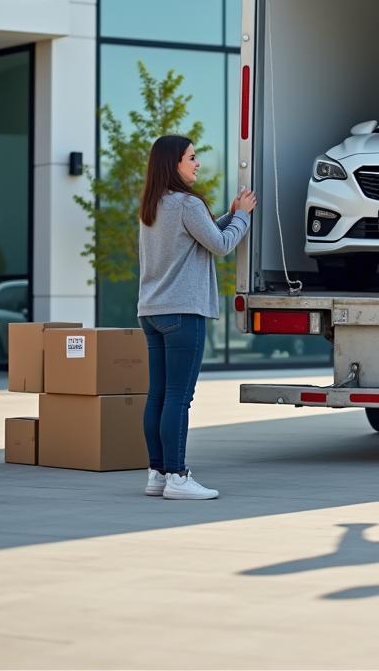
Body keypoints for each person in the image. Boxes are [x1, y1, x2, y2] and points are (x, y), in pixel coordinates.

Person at [137, 135, 257, 500]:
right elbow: (219, 245)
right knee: (178, 397)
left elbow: (200, 236)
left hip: (152, 312)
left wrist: (230, 214)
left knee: (157, 394)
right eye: (191, 157)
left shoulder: (153, 205)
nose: (197, 163)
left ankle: (157, 473)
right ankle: (177, 476)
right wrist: (243, 218)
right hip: (183, 313)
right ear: (174, 163)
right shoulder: (187, 204)